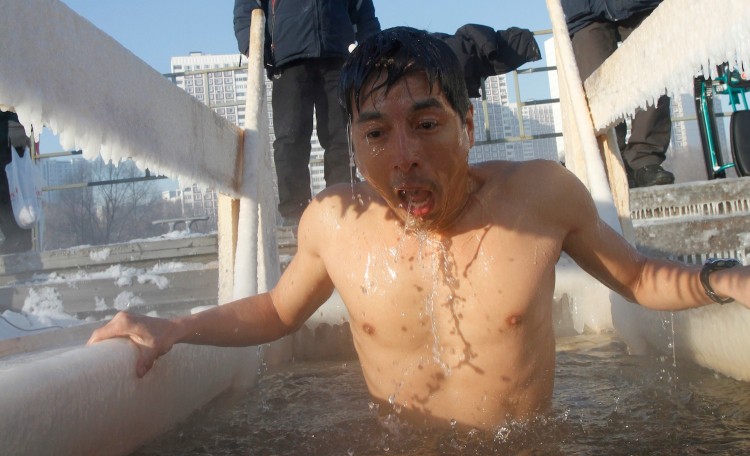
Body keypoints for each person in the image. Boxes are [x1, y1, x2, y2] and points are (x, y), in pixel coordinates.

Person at [89, 27, 750, 431]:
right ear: (352, 141)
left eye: (426, 124)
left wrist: (728, 279)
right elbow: (276, 309)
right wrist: (176, 326)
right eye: (376, 132)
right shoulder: (335, 224)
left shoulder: (540, 196)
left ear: (467, 124)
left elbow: (635, 276)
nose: (402, 153)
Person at [233, 0, 380, 226]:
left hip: (336, 54)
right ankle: (295, 213)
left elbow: (361, 6)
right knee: (290, 139)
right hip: (288, 57)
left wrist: (372, 44)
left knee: (341, 136)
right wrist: (252, 46)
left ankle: (343, 205)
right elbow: (247, 5)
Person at [562, 0, 675, 188]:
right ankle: (613, 165)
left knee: (653, 75)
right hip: (584, 11)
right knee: (596, 92)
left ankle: (645, 160)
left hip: (641, 5)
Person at [0, 110, 33, 254]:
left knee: (8, 189)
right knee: (16, 186)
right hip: (15, 131)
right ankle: (19, 238)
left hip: (9, 134)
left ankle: (17, 238)